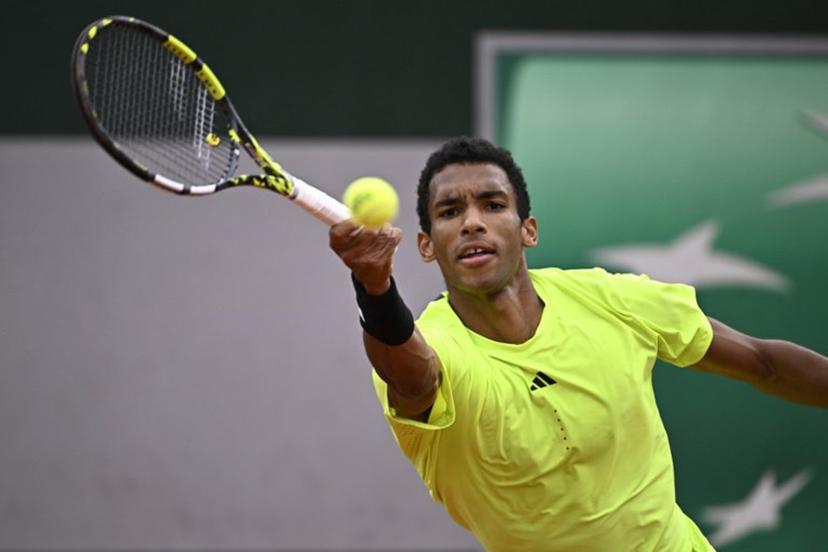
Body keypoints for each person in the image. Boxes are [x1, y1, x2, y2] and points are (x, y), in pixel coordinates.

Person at [329, 137, 828, 552]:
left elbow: (762, 362)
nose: (472, 222)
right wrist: (375, 288)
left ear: (528, 230)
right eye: (450, 211)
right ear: (426, 244)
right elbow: (413, 379)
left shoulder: (612, 300)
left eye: (493, 205)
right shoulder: (434, 347)